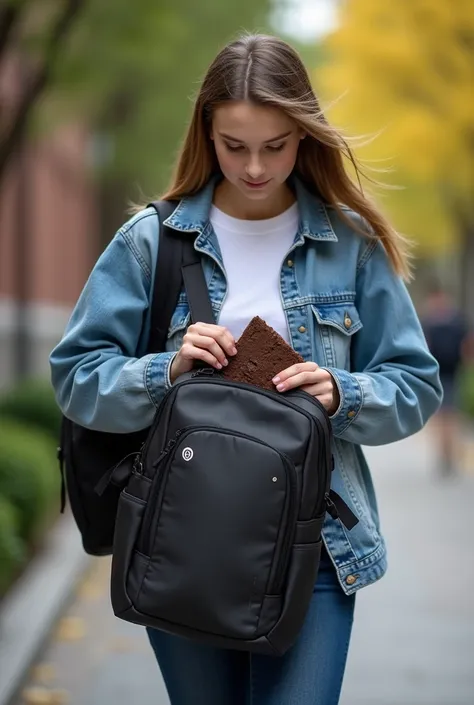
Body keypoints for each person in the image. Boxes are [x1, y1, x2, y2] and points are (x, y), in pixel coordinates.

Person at [50, 33, 443, 705]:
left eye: (276, 145)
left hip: (316, 543)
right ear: (207, 132)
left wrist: (341, 391)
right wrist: (164, 371)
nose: (256, 166)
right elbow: (77, 376)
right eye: (235, 146)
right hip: (183, 541)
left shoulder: (351, 245)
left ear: (303, 135)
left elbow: (415, 384)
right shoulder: (150, 242)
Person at [422, 284, 471, 476]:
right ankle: (444, 455)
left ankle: (449, 455)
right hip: (437, 374)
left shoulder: (456, 321)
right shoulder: (430, 322)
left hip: (451, 373)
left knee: (449, 417)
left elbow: (467, 345)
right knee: (442, 417)